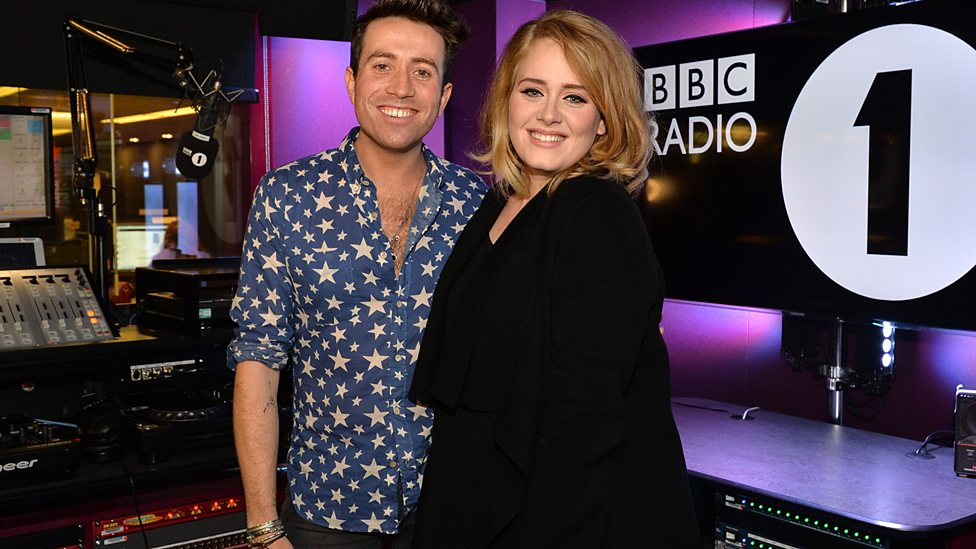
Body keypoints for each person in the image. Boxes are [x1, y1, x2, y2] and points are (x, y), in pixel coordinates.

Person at [408, 9, 701, 548]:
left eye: (575, 97)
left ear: (604, 119)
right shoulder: (504, 200)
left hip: (555, 516)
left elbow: (583, 430)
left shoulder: (596, 213)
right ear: (507, 100)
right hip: (481, 494)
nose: (549, 114)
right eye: (533, 91)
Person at [227, 0, 486, 547]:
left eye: (422, 71)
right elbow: (258, 364)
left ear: (443, 97)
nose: (402, 87)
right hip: (326, 510)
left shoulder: (476, 203)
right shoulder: (287, 197)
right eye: (382, 65)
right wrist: (263, 526)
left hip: (450, 507)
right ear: (351, 81)